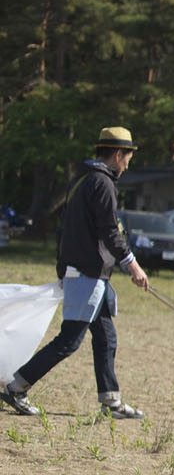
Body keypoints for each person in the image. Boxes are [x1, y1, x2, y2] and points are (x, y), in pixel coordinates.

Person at [3, 127, 151, 420]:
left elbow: (64, 231)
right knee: (69, 341)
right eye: (128, 157)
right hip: (88, 275)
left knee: (106, 337)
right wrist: (132, 264)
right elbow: (109, 231)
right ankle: (16, 387)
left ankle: (111, 401)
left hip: (88, 274)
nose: (128, 163)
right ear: (118, 154)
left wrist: (63, 268)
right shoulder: (103, 184)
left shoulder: (82, 181)